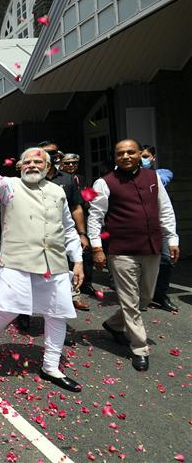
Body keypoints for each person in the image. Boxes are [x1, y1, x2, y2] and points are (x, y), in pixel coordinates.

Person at [0, 128, 84, 392]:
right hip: (18, 263)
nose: (33, 165)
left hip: (54, 263)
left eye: (39, 162)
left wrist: (77, 260)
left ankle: (51, 367)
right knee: (8, 311)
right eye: (28, 162)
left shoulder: (58, 192)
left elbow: (68, 229)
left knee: (57, 315)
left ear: (48, 166)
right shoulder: (10, 187)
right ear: (21, 166)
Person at [87, 139, 179, 371]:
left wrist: (173, 238)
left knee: (146, 297)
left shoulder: (153, 178)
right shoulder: (104, 183)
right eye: (120, 153)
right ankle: (139, 347)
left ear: (140, 154)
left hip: (151, 246)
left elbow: (165, 209)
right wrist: (97, 248)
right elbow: (95, 218)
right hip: (122, 250)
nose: (126, 156)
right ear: (115, 158)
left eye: (131, 152)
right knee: (130, 300)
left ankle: (113, 324)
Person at [38, 141, 91, 312]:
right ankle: (26, 312)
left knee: (68, 267)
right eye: (45, 153)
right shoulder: (31, 178)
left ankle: (73, 296)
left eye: (53, 153)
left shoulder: (67, 179)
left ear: (58, 155)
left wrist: (82, 233)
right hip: (37, 236)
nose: (50, 156)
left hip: (62, 233)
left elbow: (76, 207)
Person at [140, 145, 177, 312]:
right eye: (140, 156)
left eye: (146, 156)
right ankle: (142, 295)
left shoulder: (162, 173)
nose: (143, 159)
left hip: (159, 226)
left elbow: (161, 181)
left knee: (166, 259)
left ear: (153, 158)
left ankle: (160, 294)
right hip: (139, 226)